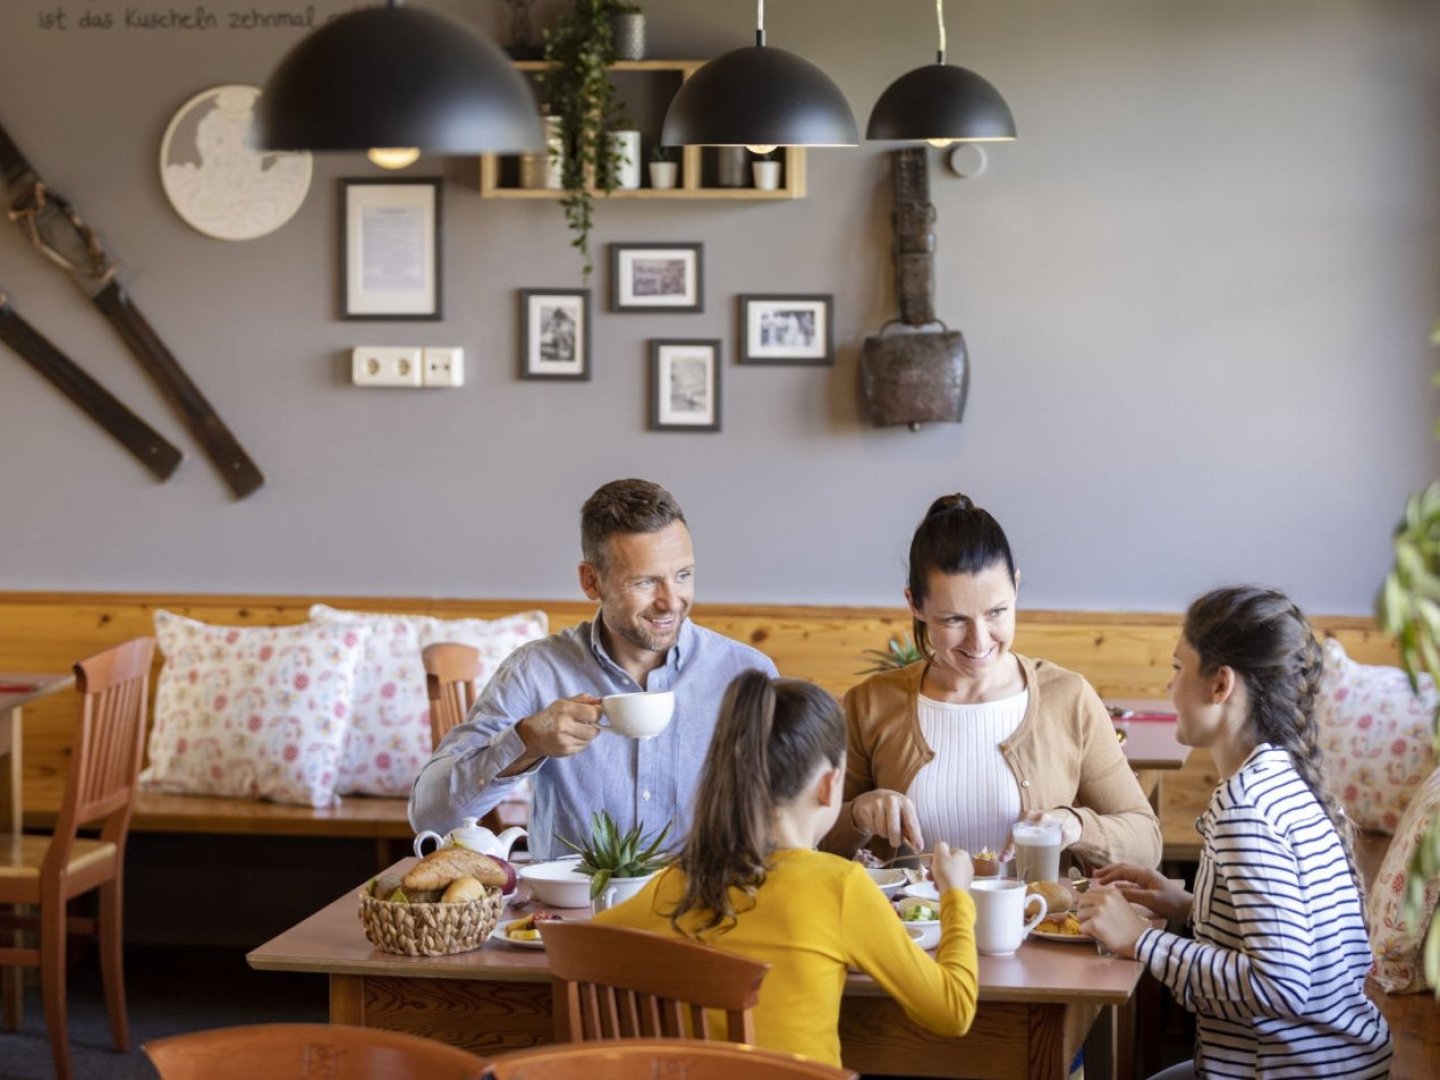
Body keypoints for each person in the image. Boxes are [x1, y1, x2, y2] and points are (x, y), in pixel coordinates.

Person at [1078, 586, 1392, 1079]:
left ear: (1220, 685)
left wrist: (1140, 939)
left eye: (1178, 669)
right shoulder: (1277, 777)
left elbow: (1281, 986)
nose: (1168, 687)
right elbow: (1280, 933)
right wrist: (1183, 903)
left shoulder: (1247, 811)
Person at [595, 671, 979, 1067]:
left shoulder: (676, 880)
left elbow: (583, 944)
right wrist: (956, 895)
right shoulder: (840, 886)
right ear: (830, 786)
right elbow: (952, 1013)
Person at [408, 479, 777, 860]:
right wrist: (525, 743)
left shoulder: (746, 673)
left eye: (683, 575)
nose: (671, 601)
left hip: (707, 909)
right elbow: (429, 816)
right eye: (646, 581)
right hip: (576, 912)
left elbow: (791, 817)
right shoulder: (536, 671)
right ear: (591, 581)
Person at [822, 493, 1162, 870]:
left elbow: (1146, 841)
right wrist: (858, 815)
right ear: (915, 606)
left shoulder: (1067, 697)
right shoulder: (870, 704)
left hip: (1036, 925)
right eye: (953, 620)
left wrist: (1076, 825)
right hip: (906, 929)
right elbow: (811, 842)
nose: (980, 641)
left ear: (1016, 587)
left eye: (997, 612)